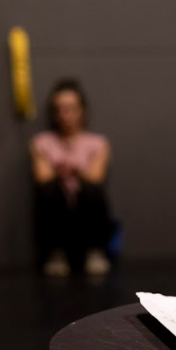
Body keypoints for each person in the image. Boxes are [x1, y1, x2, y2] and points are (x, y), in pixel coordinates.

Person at [30, 78, 114, 276]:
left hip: (85, 212)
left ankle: (95, 252)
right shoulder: (41, 142)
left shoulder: (98, 142)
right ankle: (56, 254)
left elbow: (96, 177)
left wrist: (74, 170)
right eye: (59, 109)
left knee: (92, 191)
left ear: (82, 110)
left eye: (69, 109)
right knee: (49, 190)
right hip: (58, 212)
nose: (64, 115)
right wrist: (63, 172)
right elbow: (42, 177)